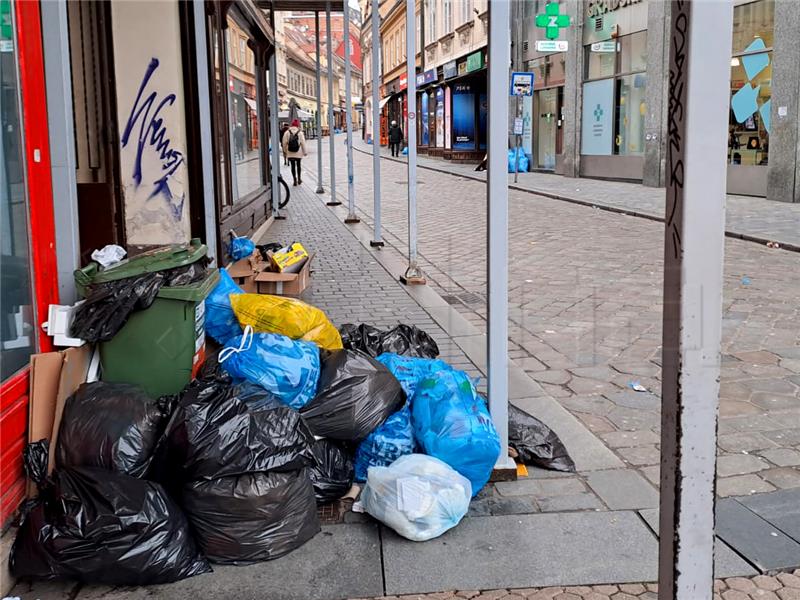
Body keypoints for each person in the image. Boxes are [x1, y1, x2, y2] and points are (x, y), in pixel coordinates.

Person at [282, 118, 307, 186]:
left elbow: (284, 143)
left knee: (292, 166)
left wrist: (285, 151)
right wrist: (305, 152)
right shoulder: (300, 133)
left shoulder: (287, 132)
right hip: (298, 152)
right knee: (298, 165)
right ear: (297, 126)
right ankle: (299, 178)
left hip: (290, 152)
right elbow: (303, 143)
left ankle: (294, 180)